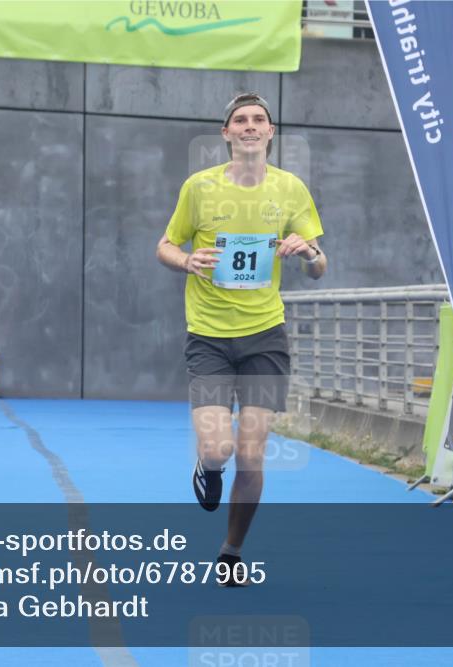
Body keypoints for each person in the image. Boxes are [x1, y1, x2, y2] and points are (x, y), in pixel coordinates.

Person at [156, 92, 327, 586]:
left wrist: (308, 253)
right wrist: (187, 260)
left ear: (270, 133)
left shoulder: (291, 189)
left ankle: (231, 552)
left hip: (264, 336)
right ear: (226, 133)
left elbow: (318, 267)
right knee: (218, 450)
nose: (250, 126)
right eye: (240, 120)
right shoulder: (200, 187)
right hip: (209, 335)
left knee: (251, 453)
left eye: (259, 119)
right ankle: (206, 470)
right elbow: (165, 244)